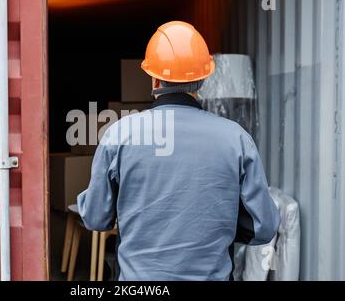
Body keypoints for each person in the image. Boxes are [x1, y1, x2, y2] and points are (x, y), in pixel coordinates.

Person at [77, 21, 280, 281]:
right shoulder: (236, 139)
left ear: (153, 77)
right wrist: (222, 220)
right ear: (203, 78)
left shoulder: (119, 135)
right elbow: (264, 226)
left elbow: (95, 218)